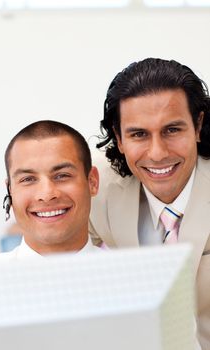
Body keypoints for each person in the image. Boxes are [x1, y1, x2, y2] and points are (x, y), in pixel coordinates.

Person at [89, 58, 210, 350]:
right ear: (118, 138)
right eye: (139, 134)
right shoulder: (97, 190)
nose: (157, 154)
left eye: (172, 130)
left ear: (198, 125)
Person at [0, 120, 100, 264]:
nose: (47, 194)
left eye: (62, 175)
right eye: (28, 179)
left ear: (92, 182)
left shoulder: (129, 275)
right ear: (10, 191)